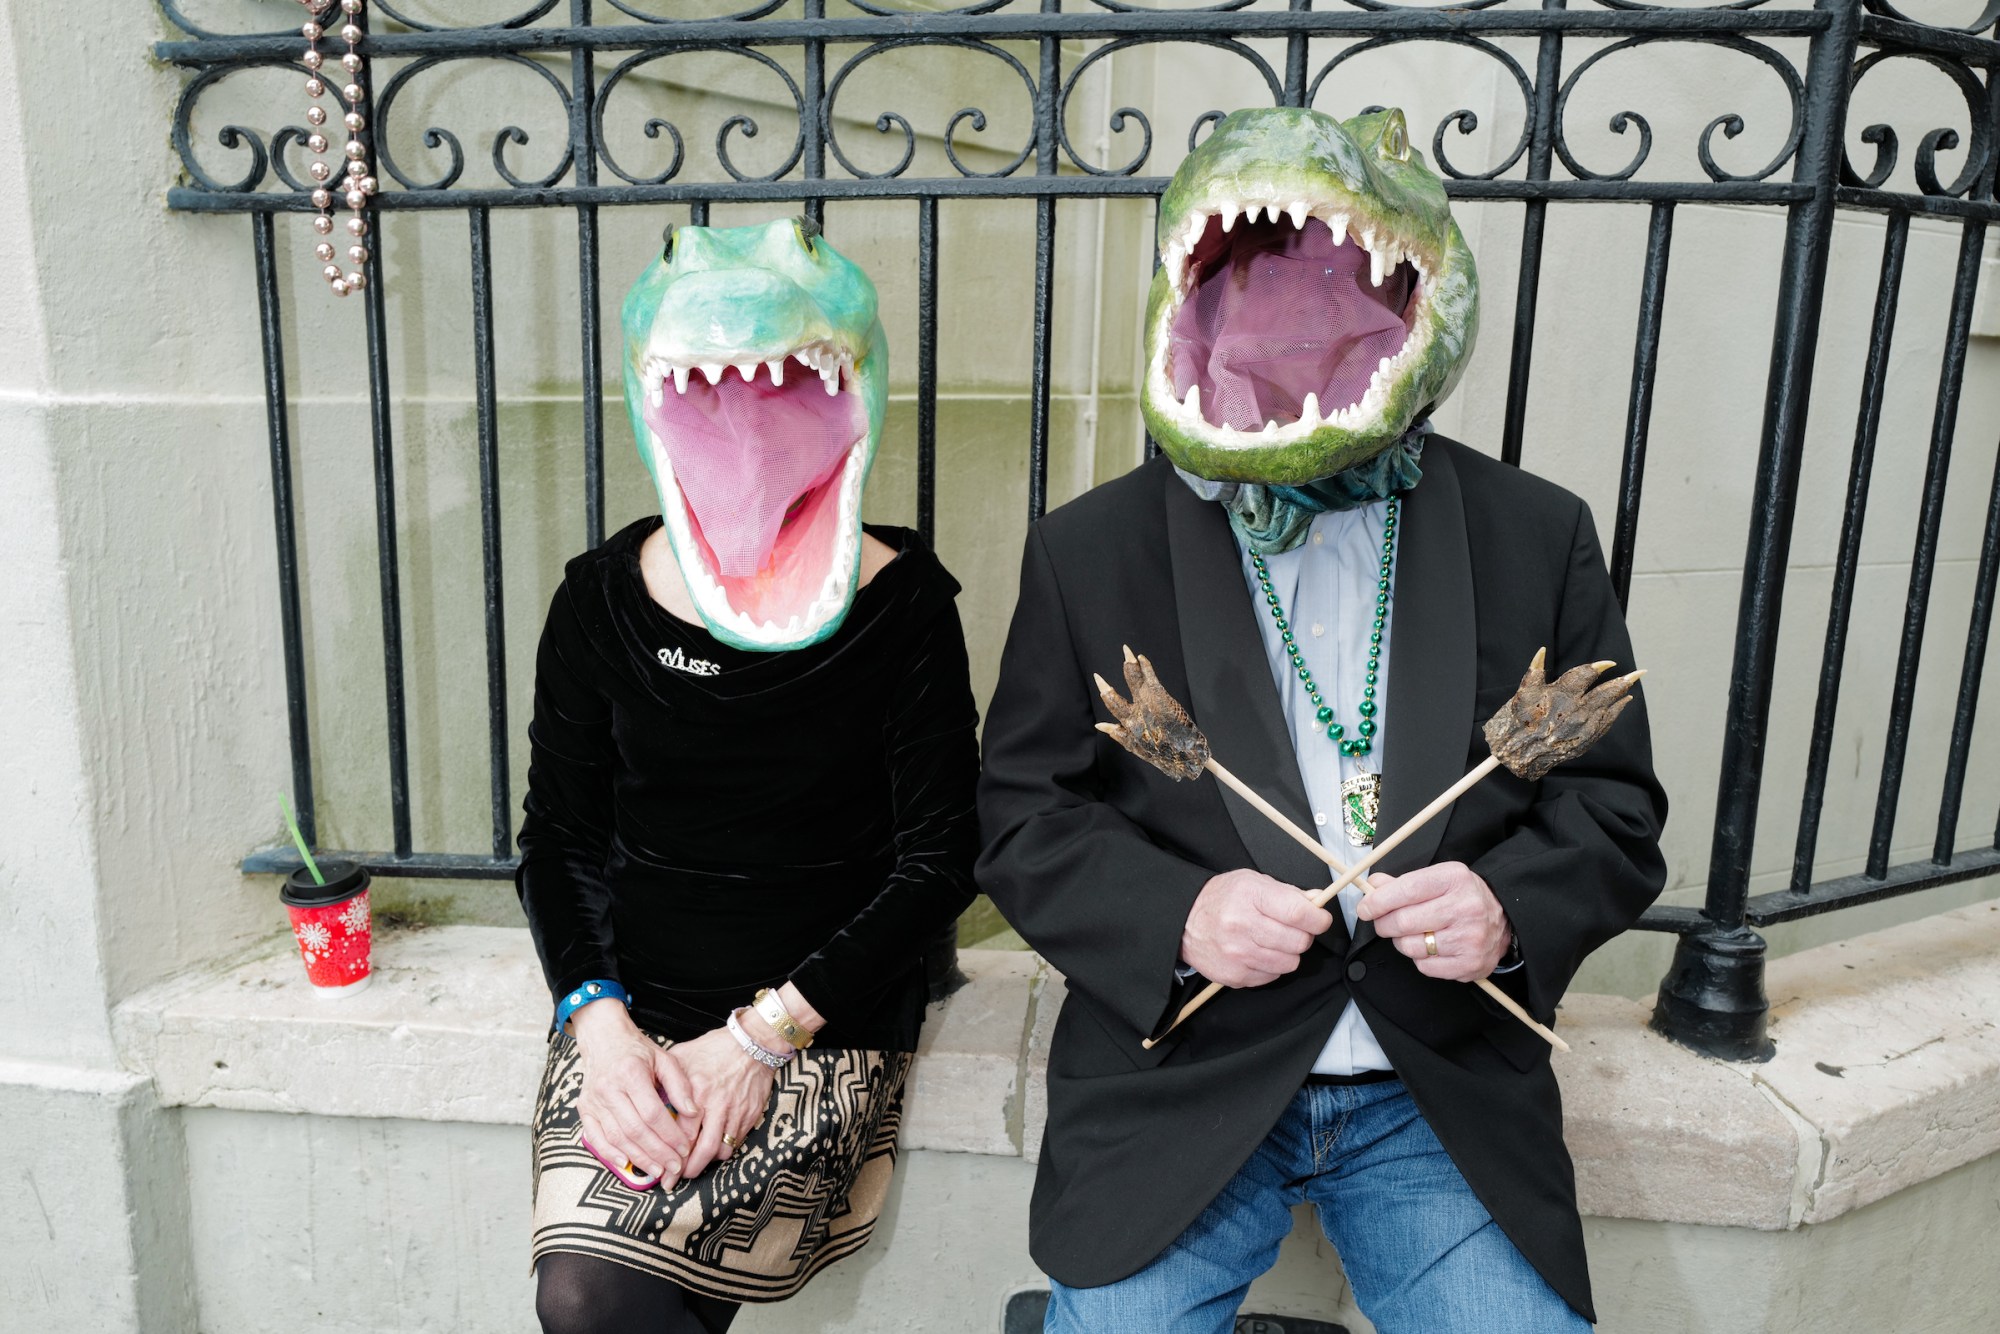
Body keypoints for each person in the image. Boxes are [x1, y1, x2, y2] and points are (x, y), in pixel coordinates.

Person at [977, 108, 1668, 1332]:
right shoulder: (1087, 551)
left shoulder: (1536, 532)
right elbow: (1023, 812)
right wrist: (1176, 915)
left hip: (1433, 1090)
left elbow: (1611, 807)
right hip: (1180, 1076)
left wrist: (1506, 907)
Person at [517, 217, 979, 1334]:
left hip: (822, 1009)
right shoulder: (594, 601)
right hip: (628, 1008)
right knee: (587, 1289)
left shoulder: (905, 608)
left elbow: (939, 857)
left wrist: (761, 1036)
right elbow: (557, 841)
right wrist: (601, 1027)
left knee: (603, 1305)